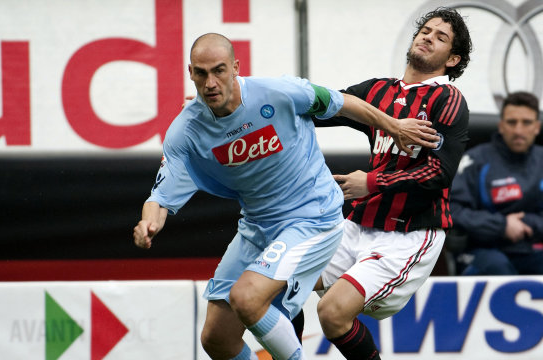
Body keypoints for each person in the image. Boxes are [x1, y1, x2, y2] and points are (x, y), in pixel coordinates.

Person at [133, 33, 438, 360]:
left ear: (236, 68)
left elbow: (343, 102)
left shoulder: (279, 92)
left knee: (248, 298)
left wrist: (393, 127)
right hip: (257, 228)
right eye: (202, 73)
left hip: (313, 218)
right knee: (216, 338)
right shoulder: (185, 131)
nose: (210, 82)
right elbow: (161, 196)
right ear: (190, 72)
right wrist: (148, 223)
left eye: (219, 70)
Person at [311, 7, 472, 359]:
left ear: (453, 58)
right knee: (281, 286)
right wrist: (243, 100)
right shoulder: (378, 91)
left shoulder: (447, 100)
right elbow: (317, 106)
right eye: (425, 30)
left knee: (332, 313)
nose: (428, 36)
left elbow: (439, 173)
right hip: (356, 224)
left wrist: (372, 181)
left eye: (440, 37)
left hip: (408, 233)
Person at [449, 91, 543, 275]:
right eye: (511, 122)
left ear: (537, 127)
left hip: (531, 248)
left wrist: (526, 223)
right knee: (497, 267)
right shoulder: (474, 161)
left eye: (526, 122)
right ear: (500, 126)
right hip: (481, 250)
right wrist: (501, 226)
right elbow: (452, 210)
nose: (518, 130)